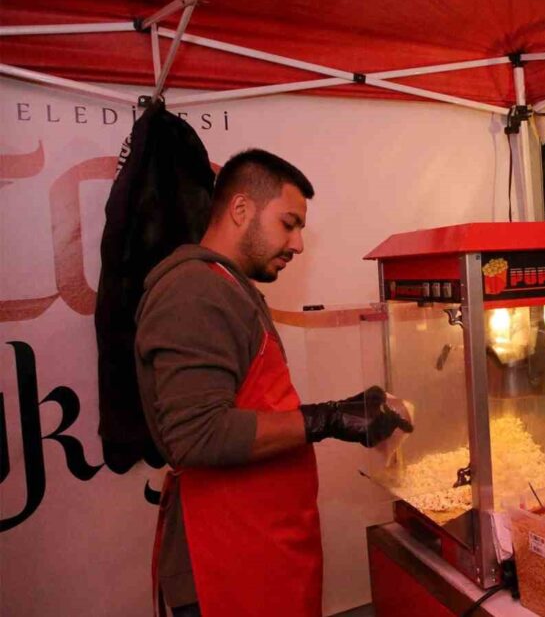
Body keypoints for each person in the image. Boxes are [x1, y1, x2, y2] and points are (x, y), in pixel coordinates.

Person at [136, 149, 412, 617]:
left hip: (262, 549)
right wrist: (328, 418)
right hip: (225, 561)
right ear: (241, 209)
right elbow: (197, 435)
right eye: (289, 223)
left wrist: (339, 411)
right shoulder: (194, 290)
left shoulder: (227, 285)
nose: (299, 244)